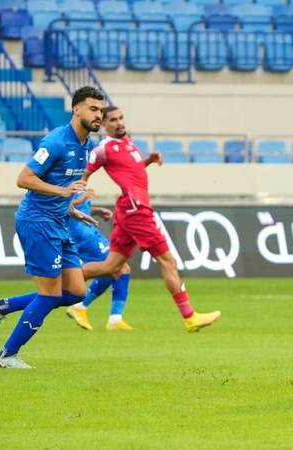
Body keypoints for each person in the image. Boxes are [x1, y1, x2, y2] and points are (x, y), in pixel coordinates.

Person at [0, 86, 105, 369]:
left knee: (76, 292)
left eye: (101, 110)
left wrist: (73, 210)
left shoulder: (85, 146)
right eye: (93, 109)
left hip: (60, 222)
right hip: (37, 222)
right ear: (76, 109)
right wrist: (62, 194)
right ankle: (6, 355)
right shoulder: (56, 142)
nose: (99, 115)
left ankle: (2, 306)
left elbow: (61, 189)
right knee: (49, 293)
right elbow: (24, 179)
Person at [79, 106, 220, 332]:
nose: (119, 123)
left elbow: (130, 170)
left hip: (129, 208)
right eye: (113, 120)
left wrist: (148, 161)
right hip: (136, 210)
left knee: (112, 266)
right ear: (104, 125)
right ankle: (190, 317)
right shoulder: (103, 148)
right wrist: (78, 197)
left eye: (121, 118)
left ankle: (69, 278)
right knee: (168, 261)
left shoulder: (127, 143)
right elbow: (84, 174)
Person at [65, 188, 134, 331]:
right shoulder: (65, 175)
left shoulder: (78, 175)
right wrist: (82, 198)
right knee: (119, 267)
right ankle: (109, 317)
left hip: (87, 230)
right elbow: (60, 206)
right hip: (81, 234)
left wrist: (96, 211)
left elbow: (77, 210)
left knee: (111, 268)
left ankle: (108, 316)